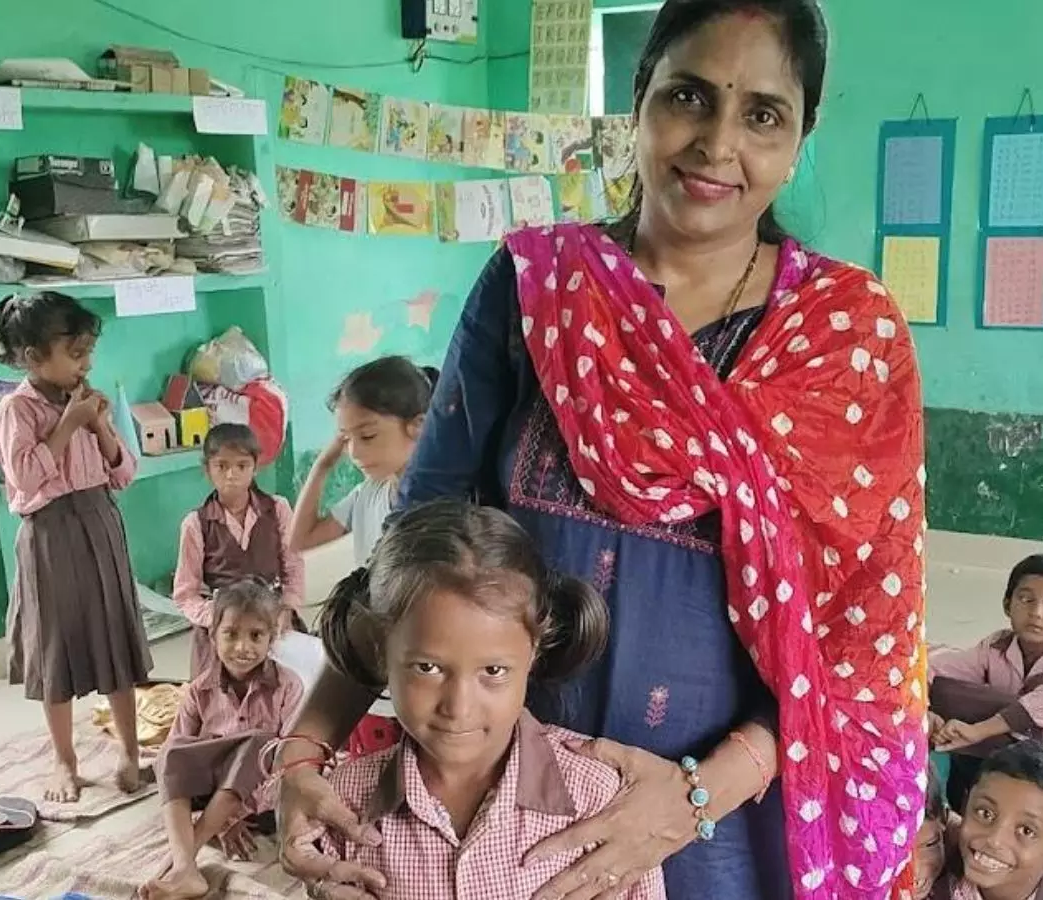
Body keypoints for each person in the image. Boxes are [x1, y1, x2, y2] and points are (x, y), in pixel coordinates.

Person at [272, 1, 929, 897]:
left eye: (763, 115)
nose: (717, 143)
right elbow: (413, 556)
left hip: (724, 820)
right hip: (507, 806)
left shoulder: (847, 336)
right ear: (639, 96)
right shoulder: (538, 288)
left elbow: (860, 648)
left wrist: (691, 801)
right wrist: (305, 749)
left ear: (804, 129)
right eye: (689, 97)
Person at [305, 500, 665, 900]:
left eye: (493, 672)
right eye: (427, 668)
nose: (459, 707)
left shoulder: (598, 799)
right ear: (380, 651)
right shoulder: (343, 805)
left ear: (534, 653)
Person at [0, 291, 151, 803]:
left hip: (100, 521)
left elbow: (124, 473)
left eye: (88, 352)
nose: (86, 363)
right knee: (54, 647)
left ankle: (130, 751)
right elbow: (28, 480)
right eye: (75, 353)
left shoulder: (87, 402)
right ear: (34, 357)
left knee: (114, 636)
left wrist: (97, 423)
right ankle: (64, 760)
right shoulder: (16, 410)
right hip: (50, 535)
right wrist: (69, 425)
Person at [143, 580, 303, 900]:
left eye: (256, 636)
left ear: (272, 638)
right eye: (231, 634)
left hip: (265, 805)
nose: (242, 647)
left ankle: (181, 862)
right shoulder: (200, 689)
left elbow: (290, 761)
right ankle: (185, 867)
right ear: (213, 636)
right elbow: (174, 757)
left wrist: (235, 813)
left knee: (261, 743)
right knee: (171, 752)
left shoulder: (288, 686)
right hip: (213, 798)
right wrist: (223, 820)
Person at [927, 555, 1043, 812]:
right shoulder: (996, 647)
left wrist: (979, 730)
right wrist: (926, 712)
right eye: (1026, 599)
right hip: (1006, 751)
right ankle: (967, 790)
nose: (1037, 613)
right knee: (942, 688)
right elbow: (936, 667)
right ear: (1008, 605)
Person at [172, 423, 306, 679]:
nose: (232, 474)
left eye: (242, 466)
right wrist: (219, 618)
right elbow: (185, 594)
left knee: (289, 693)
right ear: (208, 470)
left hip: (273, 621)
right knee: (221, 704)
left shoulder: (277, 509)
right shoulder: (196, 524)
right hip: (223, 633)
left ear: (255, 467)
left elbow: (293, 565)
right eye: (221, 466)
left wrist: (287, 608)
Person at [291, 356, 437, 565]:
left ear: (418, 426)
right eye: (346, 438)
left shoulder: (441, 504)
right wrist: (322, 466)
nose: (354, 452)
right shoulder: (368, 494)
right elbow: (300, 542)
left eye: (367, 435)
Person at [926, 741, 1043, 900]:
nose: (994, 840)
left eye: (1027, 831)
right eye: (985, 813)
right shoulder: (929, 879)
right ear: (965, 806)